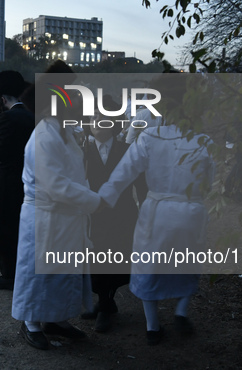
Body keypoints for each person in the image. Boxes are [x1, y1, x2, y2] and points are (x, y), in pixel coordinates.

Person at [98, 74, 216, 345]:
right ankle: (181, 311)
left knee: (148, 267)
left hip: (158, 212)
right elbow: (209, 182)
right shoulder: (203, 140)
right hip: (190, 211)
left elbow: (122, 173)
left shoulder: (150, 137)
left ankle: (152, 327)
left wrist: (104, 198)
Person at [12, 62, 102, 350]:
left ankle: (56, 319)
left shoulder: (64, 132)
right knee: (40, 272)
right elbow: (57, 186)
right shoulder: (44, 137)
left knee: (62, 271)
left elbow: (75, 174)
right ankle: (31, 323)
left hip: (64, 216)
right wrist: (94, 200)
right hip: (45, 217)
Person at [82, 102, 139, 333]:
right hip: (93, 214)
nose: (97, 120)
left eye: (103, 116)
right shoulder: (82, 150)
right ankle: (104, 302)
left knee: (117, 256)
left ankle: (106, 303)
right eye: (94, 115)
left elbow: (140, 183)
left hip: (121, 214)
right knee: (95, 257)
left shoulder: (127, 150)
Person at [0, 70, 35, 290]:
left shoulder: (7, 117)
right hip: (29, 180)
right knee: (20, 228)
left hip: (8, 181)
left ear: (3, 99)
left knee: (4, 227)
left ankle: (9, 275)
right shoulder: (35, 114)